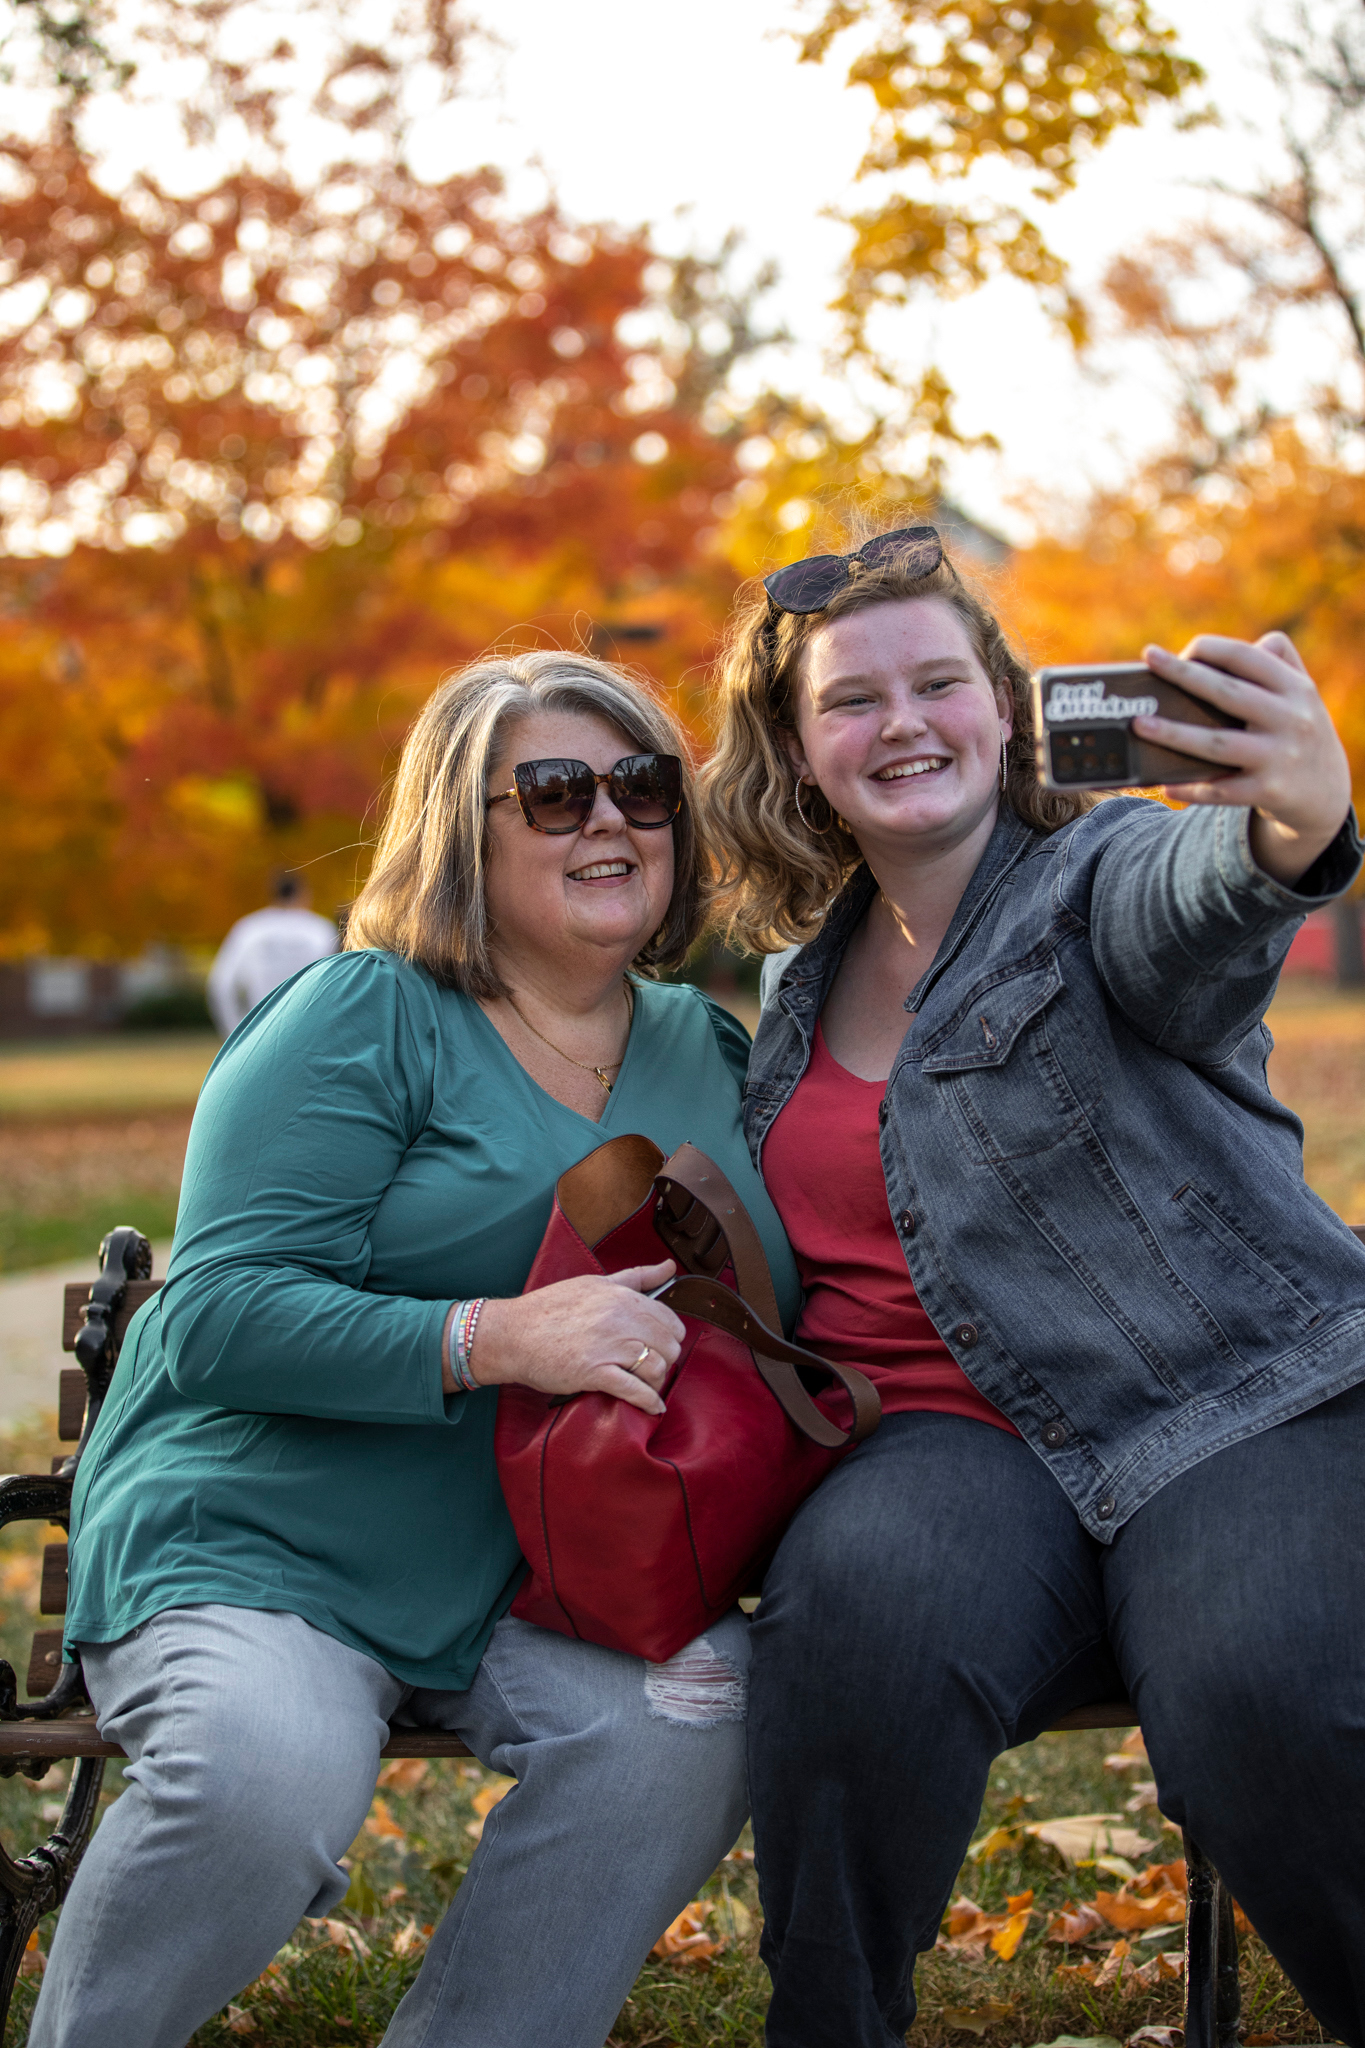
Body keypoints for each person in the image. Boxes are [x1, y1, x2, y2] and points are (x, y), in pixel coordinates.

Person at [34, 649, 799, 2048]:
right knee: (259, 1776)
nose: (609, 817)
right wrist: (495, 1337)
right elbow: (213, 1316)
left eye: (642, 785)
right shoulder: (362, 1013)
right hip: (270, 1543)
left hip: (541, 1561)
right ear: (463, 828)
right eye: (554, 792)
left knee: (691, 1719)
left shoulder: (708, 1044)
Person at [698, 524, 1365, 2048]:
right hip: (942, 1447)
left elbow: (1193, 906)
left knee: (1256, 1697)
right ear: (799, 755)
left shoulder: (1095, 872)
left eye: (938, 682)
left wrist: (1291, 823)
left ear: (1004, 709)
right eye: (851, 700)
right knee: (847, 1628)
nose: (904, 722)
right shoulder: (797, 981)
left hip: (1222, 1403)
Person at [206, 871, 339, 1035]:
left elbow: (221, 985)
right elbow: (336, 983)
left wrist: (235, 1032)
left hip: (261, 1032)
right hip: (311, 1031)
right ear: (303, 893)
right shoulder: (321, 929)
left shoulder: (250, 929)